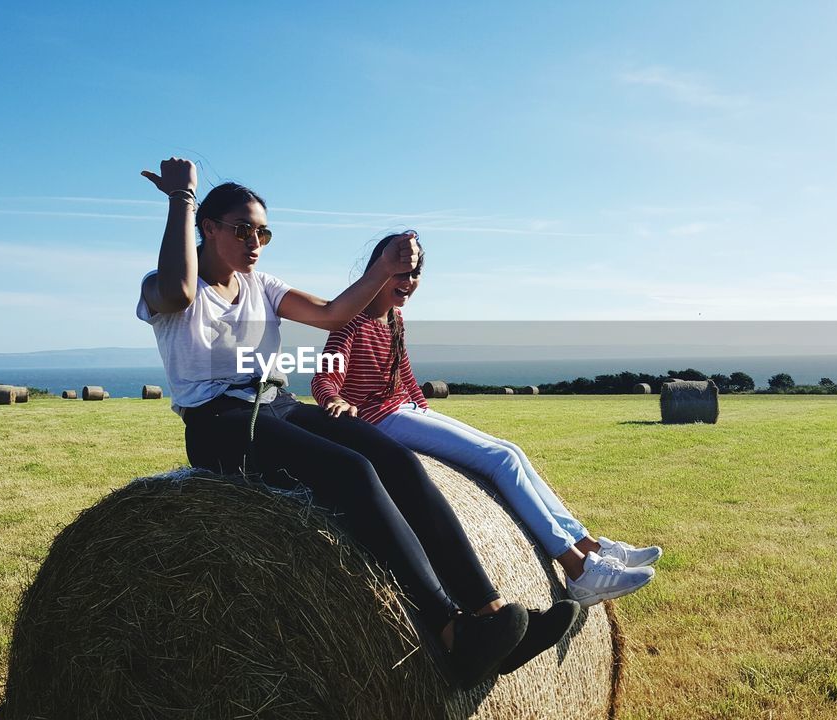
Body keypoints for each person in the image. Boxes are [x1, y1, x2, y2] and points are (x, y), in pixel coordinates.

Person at [135, 157, 578, 688]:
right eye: (243, 229)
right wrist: (180, 199)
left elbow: (331, 313)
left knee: (395, 459)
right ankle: (450, 632)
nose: (256, 241)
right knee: (350, 472)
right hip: (219, 422)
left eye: (264, 232)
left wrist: (385, 271)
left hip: (276, 403)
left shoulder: (262, 284)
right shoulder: (164, 286)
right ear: (206, 228)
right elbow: (181, 291)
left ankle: (489, 613)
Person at [311, 233, 663, 608]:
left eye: (414, 274)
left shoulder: (395, 319)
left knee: (513, 450)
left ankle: (589, 545)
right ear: (378, 272)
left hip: (405, 411)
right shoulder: (352, 322)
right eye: (400, 273)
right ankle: (578, 570)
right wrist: (333, 398)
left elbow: (406, 374)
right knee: (502, 461)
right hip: (380, 419)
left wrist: (423, 407)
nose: (408, 282)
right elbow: (325, 375)